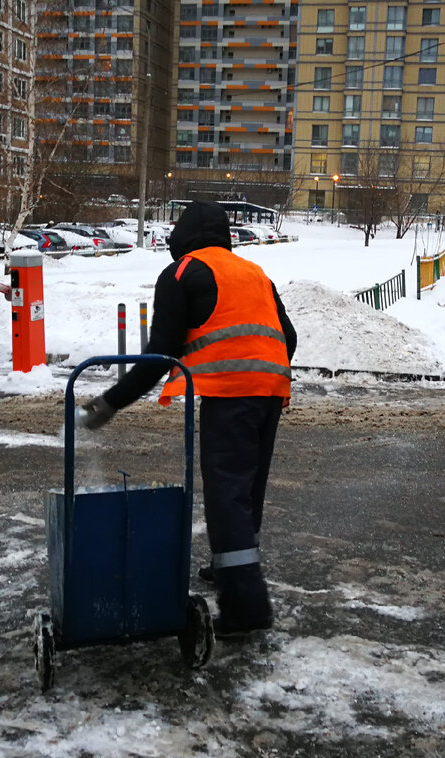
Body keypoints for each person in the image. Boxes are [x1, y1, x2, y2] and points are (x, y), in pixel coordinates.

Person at [79, 200, 297, 637]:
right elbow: (287, 336)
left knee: (226, 493)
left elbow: (161, 353)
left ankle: (246, 606)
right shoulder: (255, 272)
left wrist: (111, 402)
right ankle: (232, 567)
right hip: (272, 387)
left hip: (230, 393)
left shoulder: (182, 273)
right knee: (247, 488)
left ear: (182, 236)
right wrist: (262, 369)